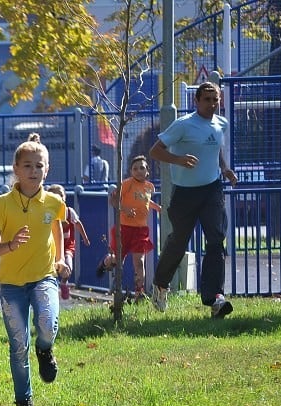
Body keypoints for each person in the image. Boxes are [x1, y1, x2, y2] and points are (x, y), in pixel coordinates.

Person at [0, 133, 68, 406]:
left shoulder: (54, 203)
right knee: (18, 345)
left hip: (44, 277)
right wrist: (10, 246)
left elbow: (57, 232)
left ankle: (45, 349)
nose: (34, 171)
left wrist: (63, 260)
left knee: (48, 323)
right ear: (16, 170)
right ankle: (24, 404)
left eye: (39, 166)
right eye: (28, 166)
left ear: (47, 169)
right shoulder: (1, 205)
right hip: (12, 286)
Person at [149, 81, 239, 317]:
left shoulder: (222, 123)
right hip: (185, 193)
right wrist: (178, 160)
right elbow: (155, 151)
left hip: (212, 189)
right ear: (196, 101)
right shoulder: (183, 125)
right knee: (179, 241)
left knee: (216, 240)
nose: (212, 104)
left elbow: (215, 147)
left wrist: (225, 168)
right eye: (207, 99)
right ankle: (160, 285)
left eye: (215, 99)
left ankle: (215, 298)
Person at [97, 157, 159, 302]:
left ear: (147, 171)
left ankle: (139, 292)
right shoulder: (127, 184)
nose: (138, 171)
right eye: (135, 168)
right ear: (131, 171)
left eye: (142, 168)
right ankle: (105, 262)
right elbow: (113, 200)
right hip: (124, 229)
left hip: (141, 230)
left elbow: (145, 201)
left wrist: (156, 207)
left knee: (140, 262)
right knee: (118, 261)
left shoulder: (149, 187)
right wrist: (125, 209)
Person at [46, 184, 89, 300]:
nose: (58, 198)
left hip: (67, 246)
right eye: (54, 196)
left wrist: (84, 237)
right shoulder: (47, 213)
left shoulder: (69, 212)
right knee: (52, 270)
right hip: (52, 246)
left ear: (64, 197)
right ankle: (52, 288)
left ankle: (64, 282)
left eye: (60, 196)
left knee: (68, 266)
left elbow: (78, 223)